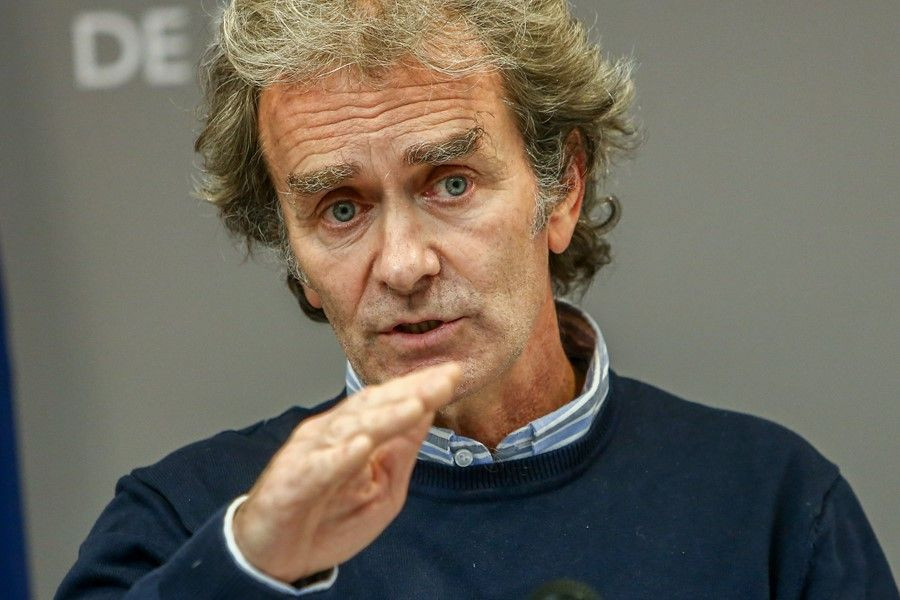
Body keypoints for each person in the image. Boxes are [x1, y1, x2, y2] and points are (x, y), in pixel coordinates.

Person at [57, 0, 897, 598]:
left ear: (562, 189)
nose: (403, 264)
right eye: (341, 209)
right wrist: (253, 567)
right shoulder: (191, 523)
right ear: (295, 253)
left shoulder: (771, 503)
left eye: (450, 183)